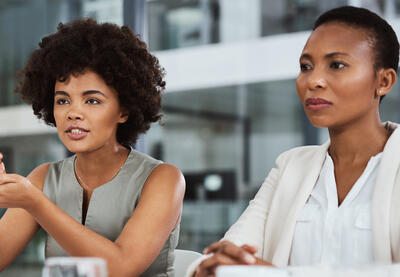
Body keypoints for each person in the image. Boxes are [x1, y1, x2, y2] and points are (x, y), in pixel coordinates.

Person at [188, 6, 400, 277]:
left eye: (337, 65)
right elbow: (226, 252)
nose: (314, 80)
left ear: (383, 81)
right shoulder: (291, 165)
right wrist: (211, 265)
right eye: (306, 66)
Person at [0, 19, 185, 277]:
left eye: (92, 100)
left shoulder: (163, 178)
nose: (73, 113)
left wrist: (36, 204)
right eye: (63, 100)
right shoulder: (44, 178)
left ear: (124, 110)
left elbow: (121, 268)